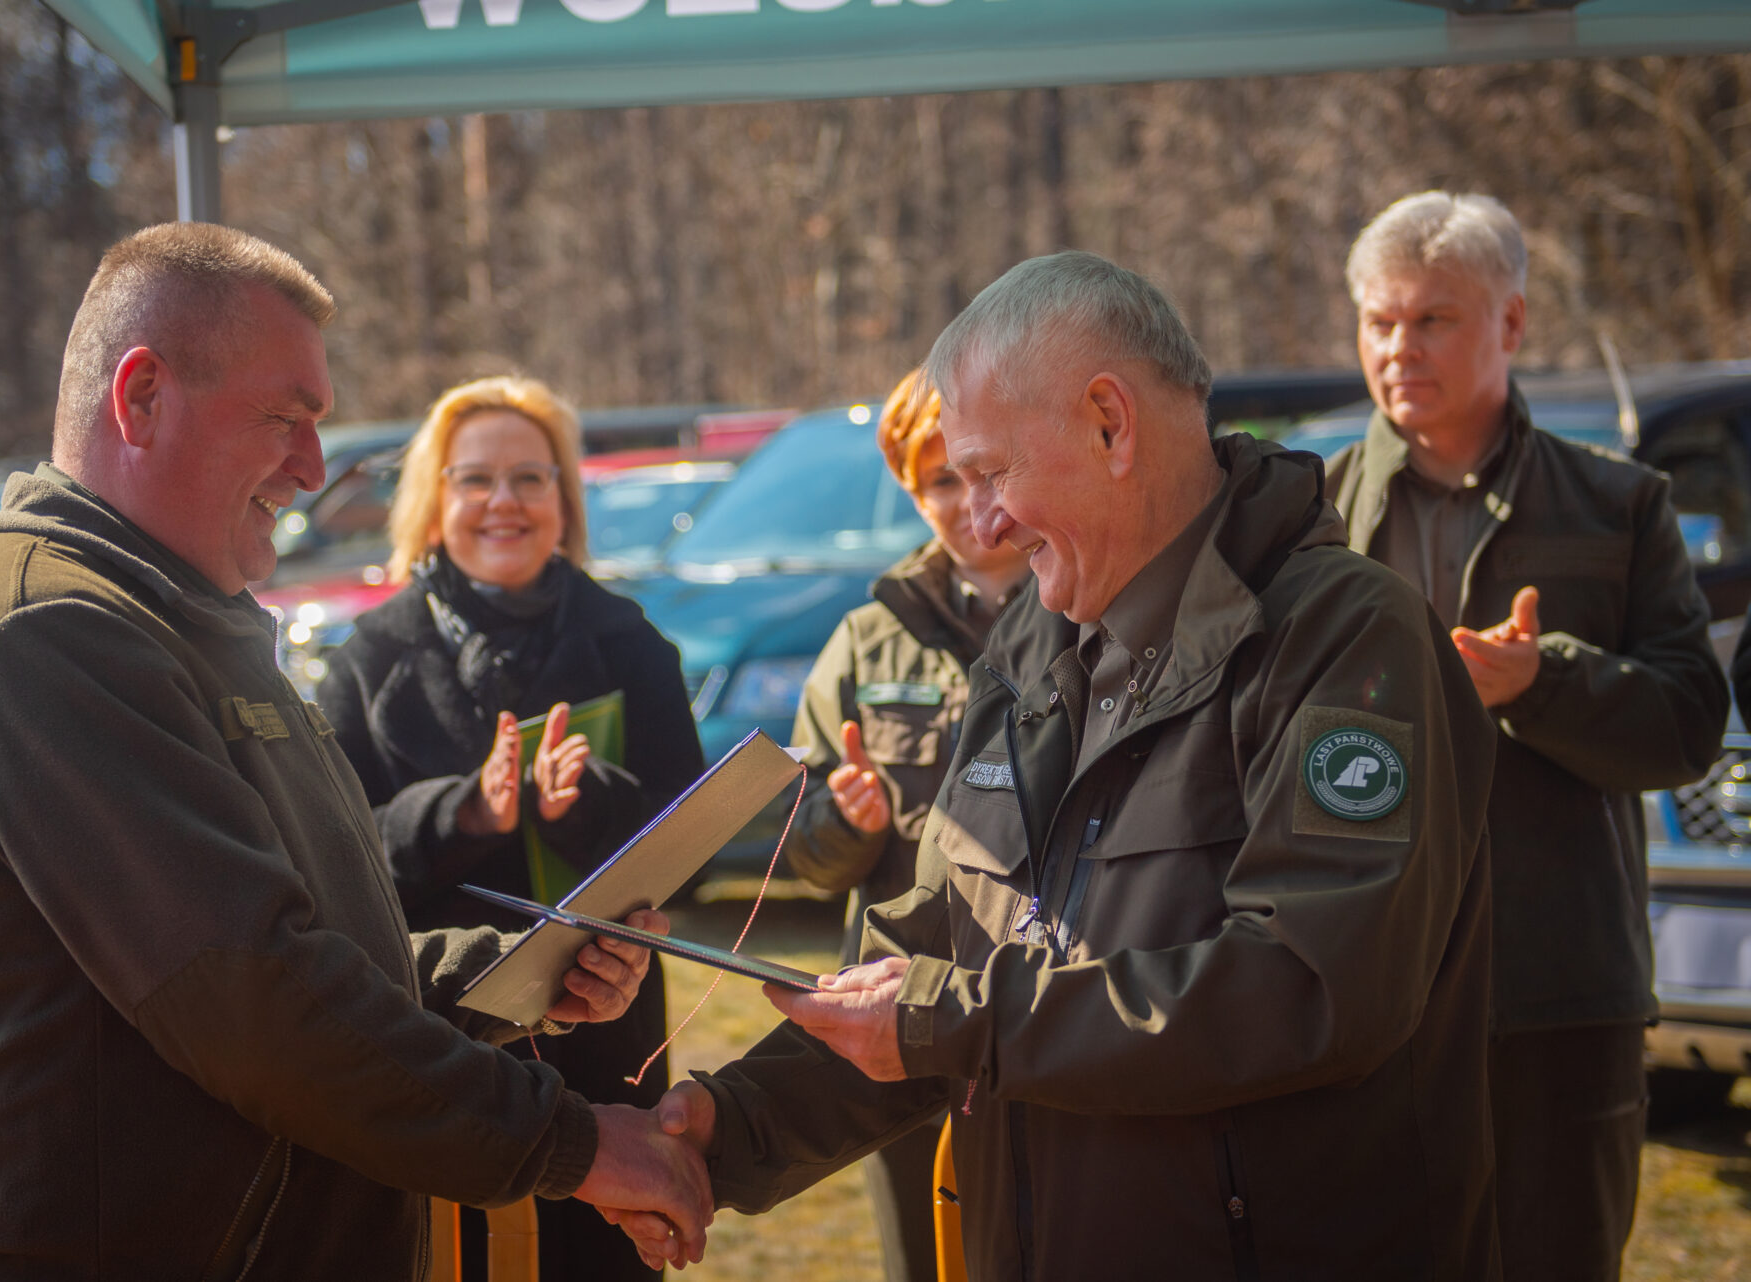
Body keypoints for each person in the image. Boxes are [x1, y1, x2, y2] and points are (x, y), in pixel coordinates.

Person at [625, 249, 1504, 1279]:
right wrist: (731, 1125)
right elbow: (937, 947)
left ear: (1109, 421)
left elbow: (1308, 990)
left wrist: (951, 1018)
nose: (981, 522)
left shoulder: (1347, 640)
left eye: (992, 472)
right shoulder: (1033, 648)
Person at [0, 222, 712, 1280]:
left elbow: (323, 947)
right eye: (287, 419)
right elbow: (252, 992)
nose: (315, 469)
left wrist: (518, 971)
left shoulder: (187, 622)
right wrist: (577, 1144)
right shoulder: (47, 636)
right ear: (140, 398)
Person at [1321, 190, 1726, 1282]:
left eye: (1433, 320)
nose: (1398, 347)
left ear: (1512, 325)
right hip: (1364, 994)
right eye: (1379, 320)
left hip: (1558, 995)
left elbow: (1690, 725)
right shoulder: (1313, 521)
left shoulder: (1619, 506)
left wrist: (1539, 681)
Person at [317, 374, 703, 1282]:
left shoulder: (628, 641)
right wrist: (469, 810)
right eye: (475, 479)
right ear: (433, 498)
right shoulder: (372, 656)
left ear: (564, 500)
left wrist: (585, 800)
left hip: (603, 1034)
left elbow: (689, 827)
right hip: (434, 1047)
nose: (504, 502)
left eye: (530, 479)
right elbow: (333, 845)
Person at [781, 366, 1028, 1282]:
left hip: (1038, 1009)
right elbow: (801, 855)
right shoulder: (863, 639)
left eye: (985, 472)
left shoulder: (1090, 608)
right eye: (937, 483)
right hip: (899, 1015)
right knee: (923, 1258)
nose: (968, 504)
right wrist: (850, 823)